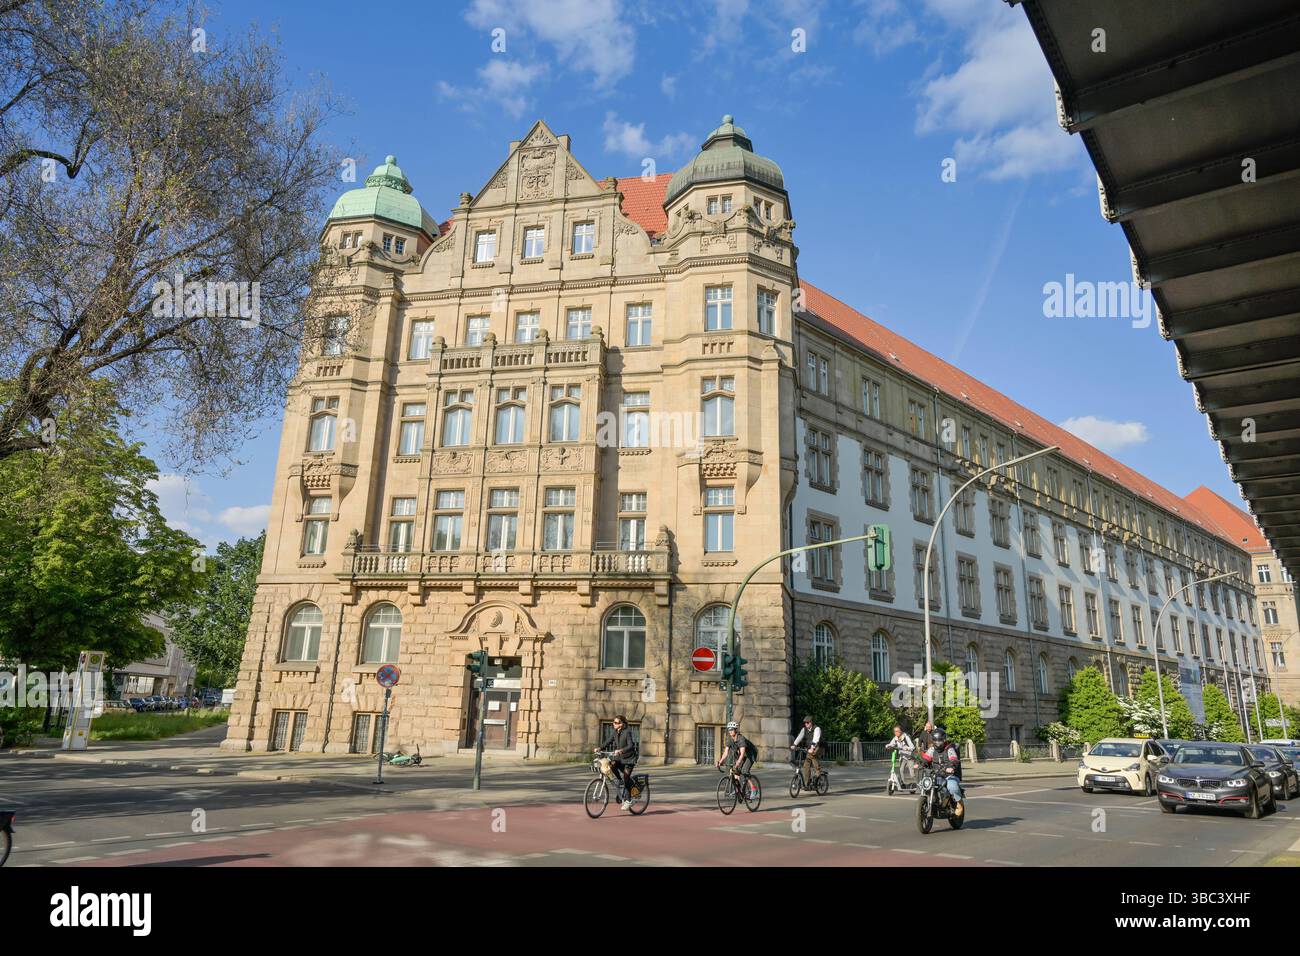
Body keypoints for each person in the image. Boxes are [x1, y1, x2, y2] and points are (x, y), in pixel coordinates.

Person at [595, 715, 639, 810]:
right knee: (612, 764)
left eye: (616, 722)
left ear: (622, 724)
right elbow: (608, 742)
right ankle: (619, 780)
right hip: (620, 758)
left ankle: (629, 800)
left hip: (629, 759)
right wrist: (600, 748)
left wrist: (621, 750)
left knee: (626, 777)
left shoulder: (627, 732)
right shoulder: (615, 732)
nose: (614, 724)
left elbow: (631, 745)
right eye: (614, 722)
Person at [923, 727, 964, 817]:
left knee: (952, 786)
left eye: (939, 740)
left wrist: (951, 767)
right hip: (936, 774)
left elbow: (954, 759)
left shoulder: (949, 749)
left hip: (949, 774)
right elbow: (926, 758)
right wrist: (920, 763)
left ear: (944, 740)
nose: (937, 743)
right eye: (935, 741)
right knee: (925, 783)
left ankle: (959, 803)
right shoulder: (932, 749)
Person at [716, 721, 757, 795]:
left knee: (744, 771)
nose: (730, 731)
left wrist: (738, 762)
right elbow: (726, 752)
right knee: (736, 770)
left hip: (750, 754)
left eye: (732, 729)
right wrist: (720, 761)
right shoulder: (729, 739)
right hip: (742, 754)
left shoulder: (741, 739)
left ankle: (753, 788)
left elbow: (742, 753)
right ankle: (738, 789)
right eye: (729, 730)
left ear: (736, 730)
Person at [790, 715, 823, 788]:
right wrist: (794, 745)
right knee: (806, 765)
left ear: (811, 722)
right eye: (805, 723)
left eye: (807, 722)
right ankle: (806, 783)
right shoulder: (804, 729)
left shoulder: (817, 729)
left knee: (813, 755)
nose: (806, 724)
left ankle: (818, 772)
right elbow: (799, 737)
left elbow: (816, 739)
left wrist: (812, 748)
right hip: (810, 749)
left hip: (819, 747)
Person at [885, 724, 916, 790]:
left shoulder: (906, 737)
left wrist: (907, 748)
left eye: (897, 731)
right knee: (901, 770)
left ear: (901, 731)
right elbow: (892, 744)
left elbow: (912, 747)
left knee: (912, 773)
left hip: (909, 756)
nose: (896, 733)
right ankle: (903, 784)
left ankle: (918, 784)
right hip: (903, 757)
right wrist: (888, 746)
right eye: (895, 731)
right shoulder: (895, 738)